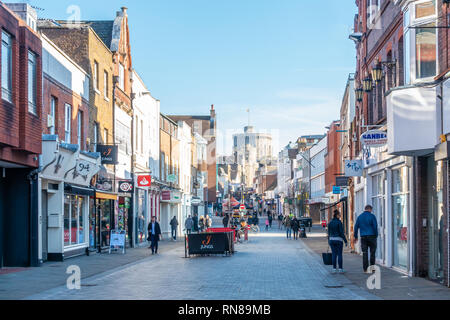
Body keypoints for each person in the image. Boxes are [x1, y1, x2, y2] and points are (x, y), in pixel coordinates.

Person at [353, 205, 378, 273]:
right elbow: (375, 226)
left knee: (365, 253)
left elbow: (356, 227)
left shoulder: (360, 217)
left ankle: (365, 269)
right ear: (370, 209)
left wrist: (356, 237)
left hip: (363, 237)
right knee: (372, 253)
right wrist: (376, 235)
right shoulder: (372, 216)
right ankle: (372, 268)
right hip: (372, 236)